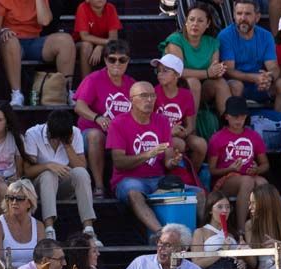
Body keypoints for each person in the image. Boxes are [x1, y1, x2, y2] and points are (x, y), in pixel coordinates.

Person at [108, 80, 178, 241]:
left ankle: (203, 239)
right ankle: (162, 235)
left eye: (152, 95)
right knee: (134, 192)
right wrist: (148, 154)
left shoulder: (162, 121)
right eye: (143, 96)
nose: (149, 100)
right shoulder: (118, 123)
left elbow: (167, 159)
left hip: (158, 180)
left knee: (198, 194)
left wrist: (172, 162)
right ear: (131, 99)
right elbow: (119, 162)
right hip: (127, 180)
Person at [22, 109, 99, 243]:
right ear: (49, 132)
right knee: (48, 174)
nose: (58, 141)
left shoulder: (75, 132)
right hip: (39, 185)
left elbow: (81, 166)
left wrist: (68, 145)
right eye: (56, 138)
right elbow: (27, 171)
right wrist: (48, 165)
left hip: (63, 185)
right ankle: (49, 230)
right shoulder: (33, 133)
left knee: (81, 173)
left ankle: (89, 230)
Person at [74, 39, 133, 194]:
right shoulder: (94, 79)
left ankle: (126, 184)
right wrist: (97, 118)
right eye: (112, 59)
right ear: (105, 60)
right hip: (91, 133)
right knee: (95, 135)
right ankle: (99, 186)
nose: (117, 63)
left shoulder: (132, 84)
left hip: (119, 134)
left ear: (128, 61)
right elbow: (79, 107)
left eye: (122, 60)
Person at [0, 0, 76, 106]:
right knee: (11, 41)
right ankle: (16, 94)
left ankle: (67, 91)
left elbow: (45, 21)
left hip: (34, 41)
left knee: (66, 41)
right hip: (11, 41)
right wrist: (4, 31)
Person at [205, 95, 266, 232]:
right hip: (224, 180)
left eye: (242, 116)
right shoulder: (217, 138)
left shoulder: (254, 136)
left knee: (262, 184)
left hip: (248, 176)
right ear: (226, 116)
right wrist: (229, 169)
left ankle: (261, 227)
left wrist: (257, 169)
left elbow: (265, 164)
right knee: (247, 182)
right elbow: (212, 170)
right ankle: (241, 229)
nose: (239, 120)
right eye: (235, 116)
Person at [191, 190, 261, 269]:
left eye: (228, 207)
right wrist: (222, 251)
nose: (224, 211)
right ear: (210, 210)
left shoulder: (233, 234)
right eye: (220, 207)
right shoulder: (201, 232)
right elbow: (196, 263)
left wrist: (244, 258)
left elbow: (252, 264)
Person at [162, 1, 229, 115]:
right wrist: (207, 73)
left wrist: (218, 71)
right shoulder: (175, 40)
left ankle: (230, 128)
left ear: (208, 24)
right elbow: (177, 72)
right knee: (194, 82)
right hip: (175, 87)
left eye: (200, 21)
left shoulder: (212, 43)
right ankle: (191, 128)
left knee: (220, 83)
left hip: (202, 89)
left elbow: (214, 72)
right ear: (186, 21)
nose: (195, 24)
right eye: (191, 19)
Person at [218, 0, 281, 109]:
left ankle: (280, 122)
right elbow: (229, 71)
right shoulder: (225, 36)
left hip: (260, 84)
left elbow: (273, 66)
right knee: (236, 86)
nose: (242, 18)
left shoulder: (266, 36)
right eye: (239, 14)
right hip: (237, 83)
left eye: (247, 14)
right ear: (234, 15)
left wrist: (269, 78)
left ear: (257, 17)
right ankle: (237, 122)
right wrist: (254, 78)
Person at [153, 54, 205, 177]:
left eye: (165, 71)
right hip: (158, 135)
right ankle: (170, 175)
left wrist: (185, 132)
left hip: (179, 134)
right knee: (178, 143)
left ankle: (191, 176)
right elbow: (149, 125)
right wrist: (170, 132)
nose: (160, 74)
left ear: (177, 75)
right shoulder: (154, 92)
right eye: (158, 71)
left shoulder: (186, 95)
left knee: (200, 144)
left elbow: (190, 125)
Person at [0, 178, 45, 269]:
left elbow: (42, 260)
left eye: (19, 199)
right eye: (10, 198)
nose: (14, 202)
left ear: (30, 203)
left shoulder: (39, 226)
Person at [74, 0, 120, 78]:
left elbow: (113, 39)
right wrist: (104, 43)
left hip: (104, 44)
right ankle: (86, 84)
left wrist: (100, 46)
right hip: (81, 44)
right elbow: (84, 36)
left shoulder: (110, 8)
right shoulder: (83, 7)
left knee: (116, 48)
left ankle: (112, 84)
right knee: (87, 45)